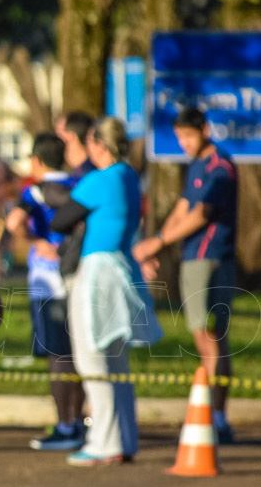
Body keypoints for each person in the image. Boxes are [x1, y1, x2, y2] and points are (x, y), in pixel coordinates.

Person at [52, 116, 162, 467]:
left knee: (92, 359)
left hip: (98, 271)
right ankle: (123, 440)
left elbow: (61, 220)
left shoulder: (99, 179)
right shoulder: (130, 177)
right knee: (117, 360)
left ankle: (103, 442)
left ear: (98, 145)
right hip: (123, 266)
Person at [132, 106, 237, 444]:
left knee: (211, 338)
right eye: (179, 138)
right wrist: (156, 244)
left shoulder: (220, 168)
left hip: (211, 257)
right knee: (204, 337)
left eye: (188, 136)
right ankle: (212, 414)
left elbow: (201, 214)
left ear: (205, 129)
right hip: (193, 258)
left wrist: (159, 241)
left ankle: (215, 417)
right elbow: (182, 208)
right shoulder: (196, 166)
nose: (184, 144)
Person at [5, 132, 86, 451]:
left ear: (36, 161)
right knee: (77, 353)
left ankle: (66, 425)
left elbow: (14, 223)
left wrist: (38, 242)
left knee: (57, 356)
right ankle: (78, 419)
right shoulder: (78, 185)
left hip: (46, 280)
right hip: (76, 273)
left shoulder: (35, 191)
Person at [55, 110, 96, 179]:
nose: (55, 139)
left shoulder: (89, 174)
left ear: (71, 135)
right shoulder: (67, 170)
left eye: (59, 134)